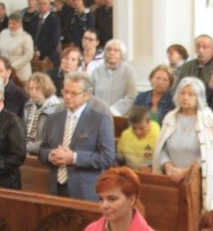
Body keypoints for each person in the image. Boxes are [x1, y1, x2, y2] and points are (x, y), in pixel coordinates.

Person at [154, 77, 213, 211]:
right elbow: (162, 148)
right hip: (171, 178)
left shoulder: (209, 120)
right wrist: (168, 166)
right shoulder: (170, 117)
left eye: (190, 94)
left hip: (198, 179)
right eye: (182, 93)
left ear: (199, 97)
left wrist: (185, 172)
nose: (185, 97)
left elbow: (210, 153)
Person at [39, 71, 115, 200]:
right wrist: (51, 155)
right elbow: (42, 151)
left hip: (84, 192)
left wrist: (74, 158)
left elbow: (107, 158)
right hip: (56, 189)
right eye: (65, 92)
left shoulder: (99, 121)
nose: (68, 97)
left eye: (74, 93)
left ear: (87, 95)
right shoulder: (53, 119)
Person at [92, 39, 138, 116]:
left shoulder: (129, 72)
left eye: (116, 50)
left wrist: (114, 111)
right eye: (109, 50)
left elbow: (131, 96)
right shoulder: (96, 72)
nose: (111, 53)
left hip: (119, 116)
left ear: (122, 54)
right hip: (98, 114)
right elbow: (90, 94)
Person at [23, 72, 63, 155]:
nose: (33, 92)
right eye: (31, 88)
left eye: (37, 89)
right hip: (26, 150)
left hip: (46, 153)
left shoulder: (57, 108)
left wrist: (26, 147)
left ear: (45, 89)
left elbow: (51, 139)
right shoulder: (28, 106)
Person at [0, 12, 34, 84]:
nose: (11, 25)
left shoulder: (26, 37)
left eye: (14, 24)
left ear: (20, 24)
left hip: (20, 73)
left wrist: (13, 67)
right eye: (10, 23)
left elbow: (28, 55)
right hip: (3, 71)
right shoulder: (3, 33)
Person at [117, 106, 160, 171]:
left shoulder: (159, 137)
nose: (138, 132)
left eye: (141, 128)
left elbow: (161, 159)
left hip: (149, 175)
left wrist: (150, 168)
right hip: (128, 173)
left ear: (149, 122)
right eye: (134, 128)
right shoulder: (125, 135)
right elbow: (119, 157)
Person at [32, 0, 62, 67]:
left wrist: (39, 52)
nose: (41, 6)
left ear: (49, 5)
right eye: (40, 3)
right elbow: (30, 36)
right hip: (33, 52)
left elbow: (54, 41)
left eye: (44, 4)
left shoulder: (54, 20)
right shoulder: (34, 19)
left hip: (48, 54)